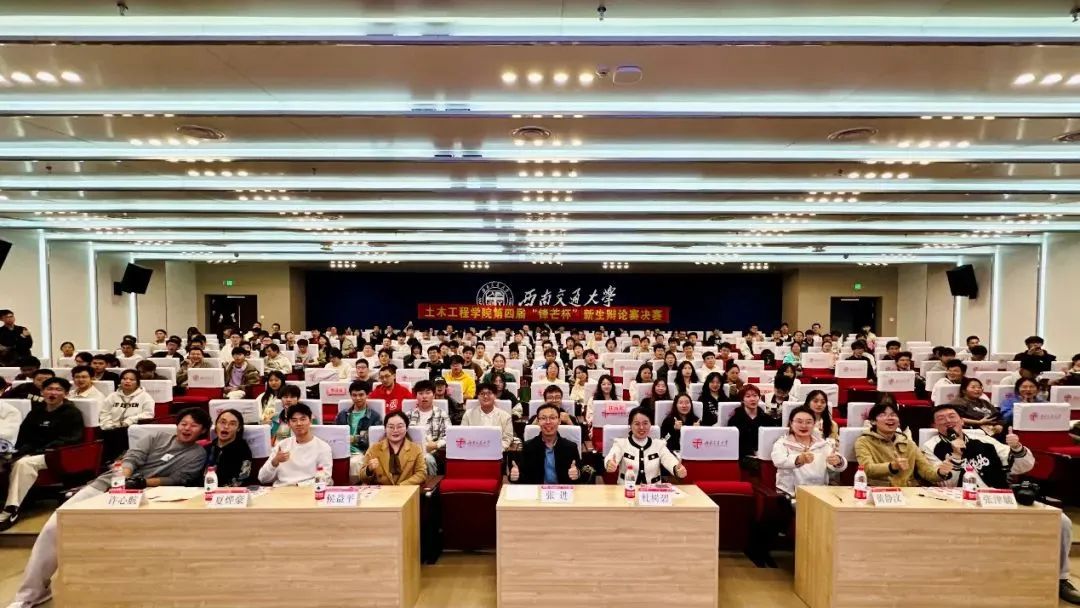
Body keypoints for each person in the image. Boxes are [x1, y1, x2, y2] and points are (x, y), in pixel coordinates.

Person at [7, 407, 211, 606]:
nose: (187, 428)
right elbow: (132, 458)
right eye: (183, 423)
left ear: (202, 430)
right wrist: (123, 479)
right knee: (54, 526)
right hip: (106, 486)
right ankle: (30, 594)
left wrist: (140, 483)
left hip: (144, 497)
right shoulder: (156, 437)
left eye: (194, 426)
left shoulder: (197, 454)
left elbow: (177, 479)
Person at [920, 404, 1080, 604]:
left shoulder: (984, 439)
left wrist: (1017, 448)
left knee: (1062, 522)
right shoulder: (931, 447)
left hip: (1000, 497)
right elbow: (946, 482)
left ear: (962, 421)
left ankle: (1061, 579)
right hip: (961, 502)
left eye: (952, 416)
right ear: (934, 426)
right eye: (941, 419)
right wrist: (956, 456)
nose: (948, 421)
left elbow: (1022, 466)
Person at [0, 378, 83, 529]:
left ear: (65, 393)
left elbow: (72, 439)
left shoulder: (72, 413)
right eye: (49, 389)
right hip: (32, 452)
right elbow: (23, 436)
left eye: (58, 390)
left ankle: (11, 509)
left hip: (56, 454)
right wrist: (19, 451)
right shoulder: (36, 412)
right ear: (42, 392)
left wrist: (38, 450)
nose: (53, 393)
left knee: (23, 464)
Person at [854, 399, 950, 487]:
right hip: (879, 490)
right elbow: (867, 468)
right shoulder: (864, 441)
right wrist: (891, 466)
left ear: (899, 422)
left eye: (893, 415)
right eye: (883, 415)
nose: (890, 418)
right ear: (873, 422)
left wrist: (940, 472)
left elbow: (926, 471)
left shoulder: (909, 443)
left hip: (908, 490)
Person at [771, 405, 846, 498]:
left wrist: (837, 461)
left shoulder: (822, 443)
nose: (804, 426)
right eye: (799, 421)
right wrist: (799, 459)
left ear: (814, 424)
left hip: (820, 493)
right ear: (791, 423)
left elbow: (840, 465)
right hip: (791, 495)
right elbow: (779, 461)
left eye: (808, 422)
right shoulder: (782, 443)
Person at [604, 406, 687, 484]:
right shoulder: (620, 443)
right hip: (626, 489)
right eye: (637, 424)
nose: (641, 427)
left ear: (651, 424)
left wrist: (677, 469)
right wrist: (609, 464)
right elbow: (611, 457)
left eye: (645, 423)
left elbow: (670, 460)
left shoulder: (659, 445)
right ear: (630, 425)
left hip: (653, 491)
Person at [258, 403, 332, 487]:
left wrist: (297, 486)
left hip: (308, 491)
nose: (299, 423)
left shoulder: (323, 447)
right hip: (281, 490)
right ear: (289, 424)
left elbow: (325, 479)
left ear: (310, 421)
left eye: (303, 419)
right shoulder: (282, 446)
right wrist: (274, 462)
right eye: (294, 420)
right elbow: (262, 478)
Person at [509, 403, 584, 485]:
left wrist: (577, 474)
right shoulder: (528, 447)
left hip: (562, 491)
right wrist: (515, 476)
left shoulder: (570, 447)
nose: (548, 422)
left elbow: (579, 475)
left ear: (559, 421)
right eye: (543, 418)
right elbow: (523, 477)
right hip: (537, 491)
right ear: (538, 422)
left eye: (552, 418)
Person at [99, 369, 156, 460]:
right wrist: (108, 425)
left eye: (131, 379)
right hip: (111, 428)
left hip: (132, 428)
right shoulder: (112, 396)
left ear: (137, 383)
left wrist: (130, 420)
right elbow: (104, 412)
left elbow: (149, 414)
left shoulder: (145, 397)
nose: (127, 381)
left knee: (118, 436)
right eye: (124, 379)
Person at [358, 411, 427, 486]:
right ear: (385, 429)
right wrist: (369, 470)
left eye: (399, 427)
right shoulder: (374, 448)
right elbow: (362, 477)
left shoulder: (416, 449)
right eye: (391, 427)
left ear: (406, 428)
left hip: (406, 489)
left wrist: (401, 486)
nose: (395, 430)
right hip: (382, 490)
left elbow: (421, 474)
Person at [335, 380, 383, 483]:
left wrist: (355, 439)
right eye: (354, 395)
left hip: (361, 452)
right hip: (342, 450)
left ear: (367, 395)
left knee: (354, 463)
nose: (357, 398)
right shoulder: (342, 414)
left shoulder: (374, 416)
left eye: (361, 395)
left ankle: (354, 487)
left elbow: (375, 440)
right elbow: (334, 433)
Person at [407, 380, 450, 477]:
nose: (424, 396)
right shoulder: (408, 415)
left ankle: (431, 485)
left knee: (428, 459)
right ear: (416, 396)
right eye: (420, 393)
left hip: (433, 451)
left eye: (427, 393)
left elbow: (449, 435)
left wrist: (436, 444)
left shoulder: (441, 414)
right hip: (411, 450)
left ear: (433, 395)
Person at [727, 384, 778, 466]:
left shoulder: (767, 419)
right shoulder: (735, 420)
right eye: (748, 396)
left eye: (755, 395)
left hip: (763, 457)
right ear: (742, 400)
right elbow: (731, 443)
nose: (752, 399)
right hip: (741, 459)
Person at [206, 409, 253, 487]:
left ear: (238, 428)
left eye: (232, 424)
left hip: (228, 491)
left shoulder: (243, 450)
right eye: (222, 422)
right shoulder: (208, 448)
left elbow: (243, 478)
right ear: (216, 425)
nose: (226, 427)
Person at [461, 383, 513, 451]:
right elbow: (463, 435)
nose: (485, 396)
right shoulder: (468, 414)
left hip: (497, 452)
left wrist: (495, 450)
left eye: (489, 393)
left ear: (495, 396)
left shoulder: (505, 416)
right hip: (473, 451)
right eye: (482, 394)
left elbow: (507, 439)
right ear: (477, 396)